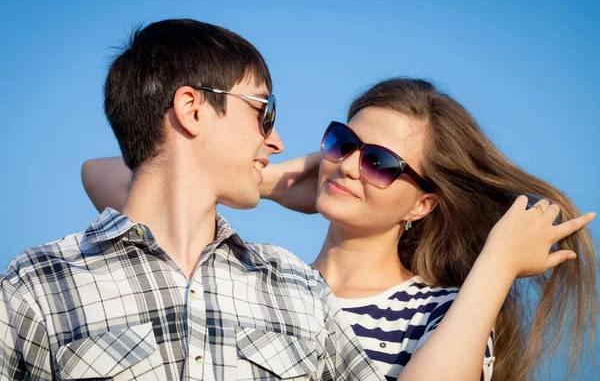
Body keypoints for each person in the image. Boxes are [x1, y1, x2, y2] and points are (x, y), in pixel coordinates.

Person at [82, 78, 599, 381]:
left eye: (378, 162)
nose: (349, 165)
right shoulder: (254, 278)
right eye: (342, 142)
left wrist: (498, 265)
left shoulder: (441, 312)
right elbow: (106, 177)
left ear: (421, 206)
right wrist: (270, 180)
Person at [0, 19, 384, 381]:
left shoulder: (297, 286)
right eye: (263, 111)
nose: (277, 141)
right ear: (192, 109)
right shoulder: (37, 285)